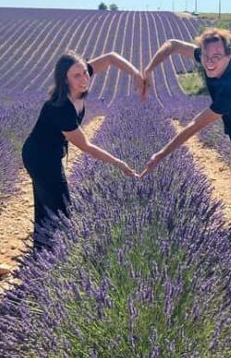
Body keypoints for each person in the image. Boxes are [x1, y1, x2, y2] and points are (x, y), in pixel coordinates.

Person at [140, 28, 231, 271]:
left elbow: (194, 125)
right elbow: (172, 44)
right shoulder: (208, 59)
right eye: (205, 55)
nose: (209, 62)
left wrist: (161, 154)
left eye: (216, 57)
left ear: (230, 55)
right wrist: (149, 70)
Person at [22, 50, 142, 251]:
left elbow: (111, 58)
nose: (84, 78)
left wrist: (136, 73)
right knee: (61, 207)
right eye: (77, 76)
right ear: (65, 80)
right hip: (39, 157)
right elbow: (86, 146)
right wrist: (119, 163)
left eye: (85, 72)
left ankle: (42, 252)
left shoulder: (81, 77)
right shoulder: (61, 108)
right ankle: (55, 254)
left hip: (48, 152)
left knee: (47, 204)